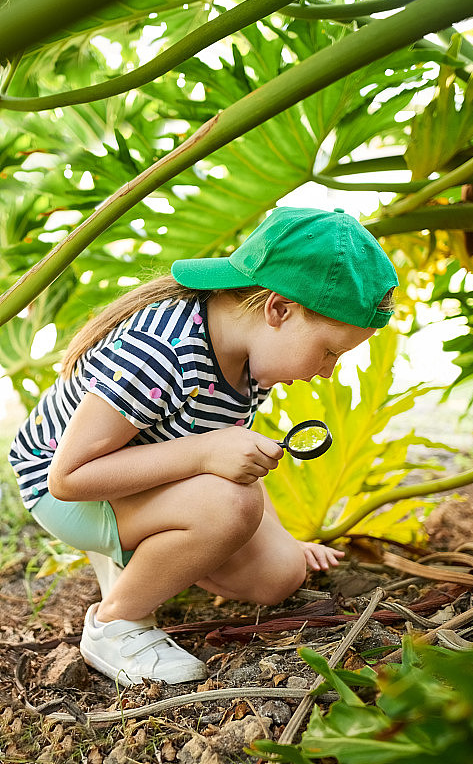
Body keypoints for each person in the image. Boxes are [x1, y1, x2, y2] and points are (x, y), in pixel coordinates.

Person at [8, 206, 397, 687]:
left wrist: (285, 537)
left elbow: (229, 463)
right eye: (329, 351)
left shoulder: (251, 359)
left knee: (279, 574)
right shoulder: (161, 349)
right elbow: (67, 479)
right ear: (278, 309)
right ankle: (115, 624)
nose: (327, 370)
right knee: (230, 506)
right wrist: (205, 453)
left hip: (141, 477)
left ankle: (140, 557)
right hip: (66, 488)